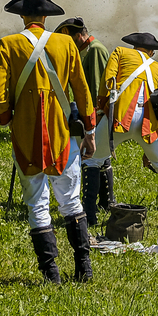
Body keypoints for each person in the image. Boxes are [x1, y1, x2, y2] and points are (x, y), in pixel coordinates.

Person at [0, 0, 97, 283]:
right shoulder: (65, 43)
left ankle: (51, 274)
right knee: (71, 202)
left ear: (23, 16)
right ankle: (84, 268)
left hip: (26, 136)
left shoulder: (8, 44)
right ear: (46, 16)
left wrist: (7, 118)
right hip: (63, 136)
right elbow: (83, 93)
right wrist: (89, 132)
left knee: (37, 204)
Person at [85, 32, 158, 226]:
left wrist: (102, 108)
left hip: (121, 116)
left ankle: (89, 217)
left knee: (93, 161)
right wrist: (150, 143)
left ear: (134, 46)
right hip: (149, 121)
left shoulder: (120, 52)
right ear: (150, 51)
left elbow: (108, 83)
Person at [55, 17, 114, 226]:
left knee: (92, 159)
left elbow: (97, 88)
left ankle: (92, 210)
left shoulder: (95, 50)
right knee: (100, 159)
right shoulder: (86, 50)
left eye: (69, 38)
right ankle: (107, 203)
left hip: (97, 113)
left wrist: (93, 120)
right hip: (93, 113)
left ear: (79, 35)